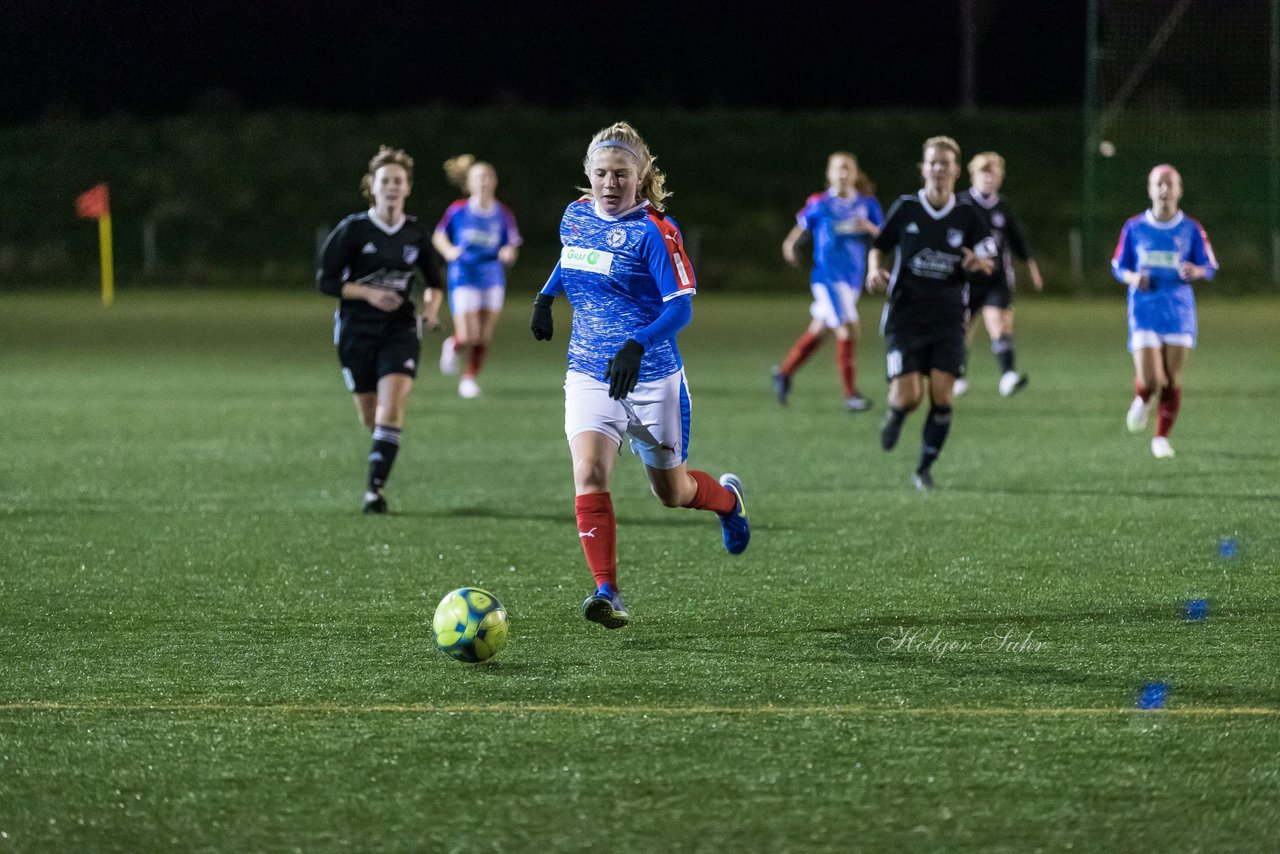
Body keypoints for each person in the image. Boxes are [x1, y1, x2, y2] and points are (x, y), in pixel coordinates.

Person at [530, 121, 750, 630]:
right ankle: (607, 590)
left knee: (672, 493)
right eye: (601, 173)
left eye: (621, 174)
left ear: (642, 174)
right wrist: (546, 296)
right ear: (588, 174)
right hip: (589, 370)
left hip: (652, 378)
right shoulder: (576, 216)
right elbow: (570, 259)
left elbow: (681, 309)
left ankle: (729, 501)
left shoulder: (656, 231)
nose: (610, 183)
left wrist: (638, 342)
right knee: (589, 472)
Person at [317, 146, 444, 513]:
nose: (391, 187)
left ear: (407, 188)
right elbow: (326, 282)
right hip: (356, 332)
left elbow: (435, 281)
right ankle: (379, 463)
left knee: (391, 412)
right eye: (384, 181)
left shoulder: (416, 233)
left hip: (400, 330)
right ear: (371, 186)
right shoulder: (352, 230)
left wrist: (432, 309)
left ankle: (375, 491)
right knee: (372, 419)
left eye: (398, 181)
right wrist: (369, 293)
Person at [866, 136, 996, 490]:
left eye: (945, 163)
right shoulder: (907, 207)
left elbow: (989, 261)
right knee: (909, 397)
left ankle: (924, 468)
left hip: (949, 319)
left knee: (942, 397)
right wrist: (874, 270)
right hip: (905, 315)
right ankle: (895, 413)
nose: (939, 168)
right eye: (933, 162)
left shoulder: (968, 215)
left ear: (956, 170)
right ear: (923, 168)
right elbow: (878, 247)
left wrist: (978, 263)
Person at [1111, 164, 1218, 458]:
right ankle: (1143, 398)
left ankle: (1160, 438)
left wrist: (1195, 270)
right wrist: (1133, 278)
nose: (1164, 190)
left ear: (1179, 190)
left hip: (1179, 310)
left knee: (1171, 379)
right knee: (1152, 379)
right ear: (1149, 189)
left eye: (1170, 184)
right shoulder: (1134, 227)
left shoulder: (1191, 229)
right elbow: (1119, 265)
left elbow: (1210, 266)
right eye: (1159, 184)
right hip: (1144, 308)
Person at [773, 152, 884, 411]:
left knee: (819, 330)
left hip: (852, 279)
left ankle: (784, 373)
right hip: (827, 278)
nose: (843, 174)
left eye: (848, 169)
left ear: (855, 174)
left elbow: (884, 236)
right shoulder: (820, 203)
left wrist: (868, 227)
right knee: (847, 329)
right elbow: (802, 227)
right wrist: (789, 244)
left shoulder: (867, 204)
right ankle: (851, 395)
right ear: (829, 174)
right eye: (838, 169)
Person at [955, 151, 1044, 397]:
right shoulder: (961, 204)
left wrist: (1032, 268)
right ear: (973, 176)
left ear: (1000, 177)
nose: (988, 179)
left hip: (997, 278)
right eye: (983, 173)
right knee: (960, 327)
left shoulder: (1002, 207)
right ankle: (957, 373)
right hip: (966, 279)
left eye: (993, 174)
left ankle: (1008, 376)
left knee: (1000, 323)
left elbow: (1018, 240)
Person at [432, 155, 521, 399]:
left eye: (488, 177)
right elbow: (439, 236)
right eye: (478, 178)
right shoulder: (458, 210)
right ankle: (453, 345)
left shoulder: (503, 213)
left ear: (494, 181)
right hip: (464, 276)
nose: (484, 182)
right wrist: (449, 251)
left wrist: (507, 252)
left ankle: (469, 379)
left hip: (492, 277)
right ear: (469, 183)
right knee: (468, 334)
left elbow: (511, 244)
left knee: (483, 336)